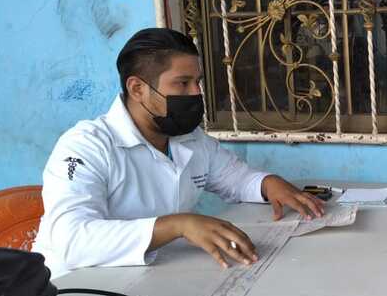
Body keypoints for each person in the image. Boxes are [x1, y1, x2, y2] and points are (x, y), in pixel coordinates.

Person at [32, 28, 324, 279]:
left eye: (197, 82)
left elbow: (235, 178)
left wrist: (268, 184)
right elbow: (70, 240)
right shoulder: (86, 146)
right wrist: (177, 225)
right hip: (77, 291)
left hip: (150, 279)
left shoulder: (188, 138)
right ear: (137, 89)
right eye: (182, 83)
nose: (196, 93)